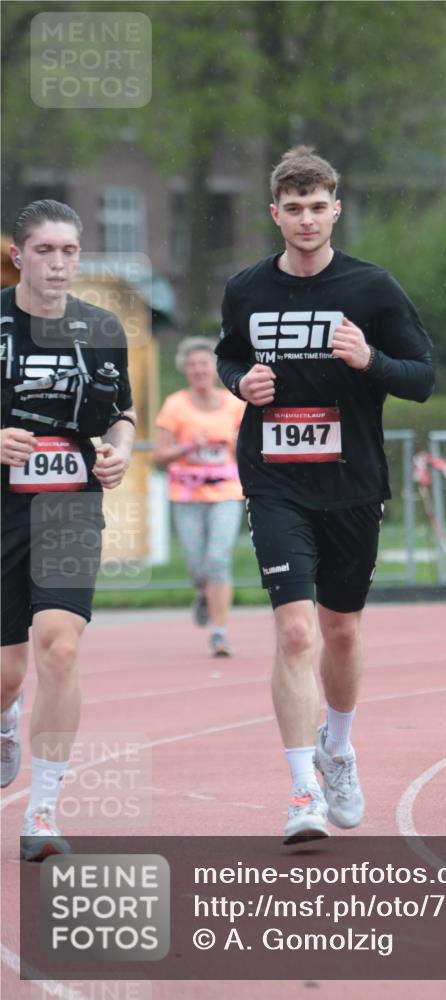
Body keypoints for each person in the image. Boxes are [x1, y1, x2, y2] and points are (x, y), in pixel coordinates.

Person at [216, 146, 434, 843]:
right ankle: (301, 791)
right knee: (294, 629)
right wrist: (237, 382)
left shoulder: (371, 289)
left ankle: (336, 747)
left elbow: (423, 376)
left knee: (340, 629)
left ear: (334, 209)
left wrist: (370, 359)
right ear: (274, 214)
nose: (306, 219)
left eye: (317, 207)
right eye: (293, 208)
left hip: (351, 483)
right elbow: (228, 351)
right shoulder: (246, 289)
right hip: (274, 481)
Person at [1, 199, 136, 860]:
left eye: (69, 251)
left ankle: (44, 813)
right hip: (0, 510)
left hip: (68, 503)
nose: (58, 264)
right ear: (19, 255)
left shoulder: (101, 328)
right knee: (5, 674)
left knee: (59, 647)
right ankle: (6, 715)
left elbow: (122, 415)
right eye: (45, 251)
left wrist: (120, 448)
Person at [154, 337, 245, 657]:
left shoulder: (235, 405)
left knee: (218, 559)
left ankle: (219, 633)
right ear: (185, 370)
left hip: (226, 492)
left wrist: (230, 442)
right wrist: (188, 446)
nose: (199, 370)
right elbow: (160, 455)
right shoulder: (175, 405)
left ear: (215, 369)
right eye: (192, 365)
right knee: (197, 565)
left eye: (204, 364)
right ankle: (204, 593)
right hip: (187, 494)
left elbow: (249, 451)